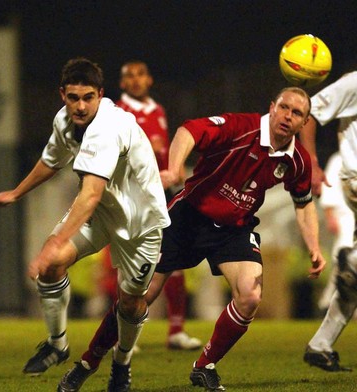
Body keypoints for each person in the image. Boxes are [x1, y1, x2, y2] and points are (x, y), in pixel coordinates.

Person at [58, 86, 326, 391]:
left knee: (250, 296)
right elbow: (188, 131)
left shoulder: (297, 160)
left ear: (304, 123)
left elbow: (303, 203)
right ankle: (88, 363)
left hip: (233, 229)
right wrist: (174, 170)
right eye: (284, 108)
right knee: (136, 299)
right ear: (272, 107)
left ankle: (204, 366)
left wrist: (315, 247)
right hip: (188, 218)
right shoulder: (241, 128)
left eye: (297, 113)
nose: (288, 116)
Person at [0, 57, 170, 391]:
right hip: (102, 214)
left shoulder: (108, 128)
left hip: (140, 224)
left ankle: (122, 363)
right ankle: (57, 344)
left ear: (101, 94)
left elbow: (89, 196)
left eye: (88, 97)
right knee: (53, 265)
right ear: (63, 95)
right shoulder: (65, 121)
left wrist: (53, 243)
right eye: (74, 98)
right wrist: (16, 192)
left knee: (130, 302)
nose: (81, 106)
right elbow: (51, 161)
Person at [111, 59, 200, 350]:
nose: (135, 80)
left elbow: (163, 156)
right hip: (129, 197)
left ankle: (175, 330)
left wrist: (176, 176)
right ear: (122, 83)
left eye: (140, 75)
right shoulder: (116, 112)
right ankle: (122, 333)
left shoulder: (158, 111)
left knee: (174, 259)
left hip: (160, 198)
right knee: (128, 266)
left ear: (149, 80)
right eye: (129, 76)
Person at [300, 71, 357, 372]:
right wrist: (311, 162)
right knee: (354, 268)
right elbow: (309, 113)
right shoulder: (354, 82)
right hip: (355, 175)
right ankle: (354, 261)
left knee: (353, 284)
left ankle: (320, 344)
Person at [317, 152, 354, 311]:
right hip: (345, 217)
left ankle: (330, 303)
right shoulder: (339, 159)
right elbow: (329, 188)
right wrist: (330, 216)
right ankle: (327, 304)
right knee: (343, 260)